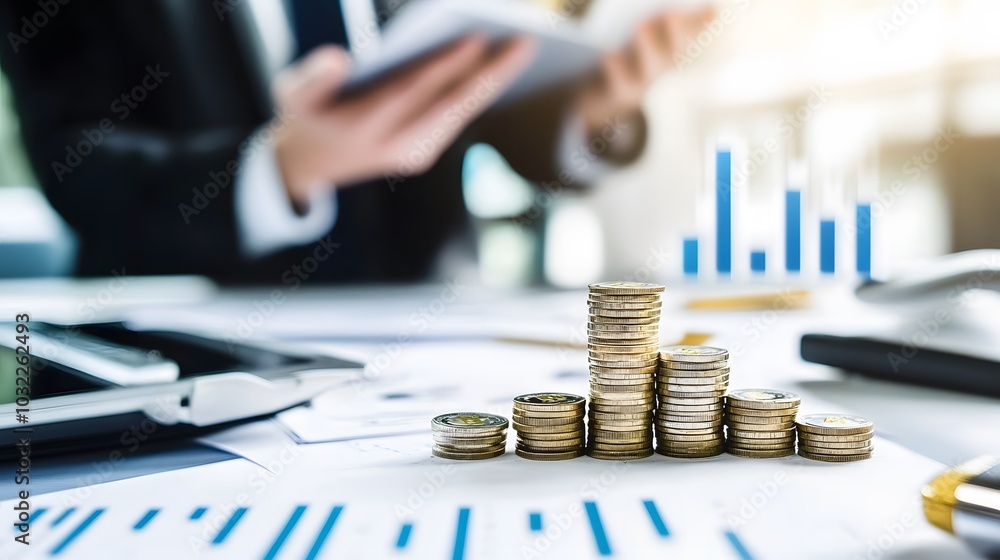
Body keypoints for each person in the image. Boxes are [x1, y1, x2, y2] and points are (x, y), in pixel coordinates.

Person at [0, 0, 710, 283]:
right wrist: (282, 166)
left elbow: (496, 114)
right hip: (193, 356)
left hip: (424, 347)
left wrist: (594, 105)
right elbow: (76, 159)